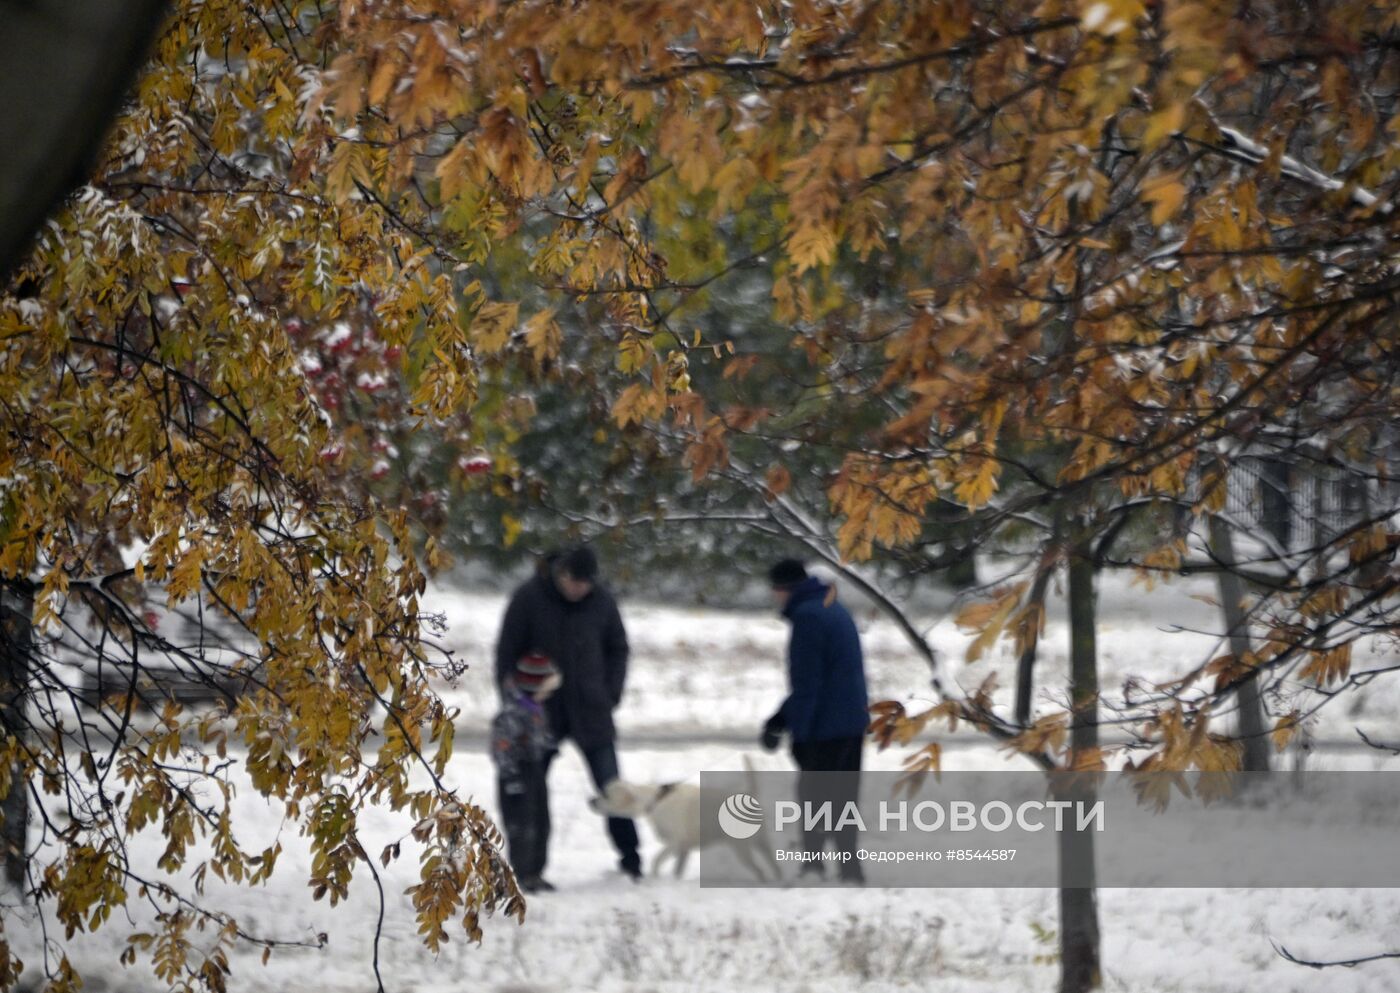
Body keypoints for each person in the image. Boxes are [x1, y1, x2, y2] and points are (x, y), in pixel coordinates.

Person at [494, 546, 642, 881]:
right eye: (575, 582)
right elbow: (506, 653)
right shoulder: (528, 598)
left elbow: (618, 648)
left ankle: (631, 860)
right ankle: (528, 869)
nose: (580, 590)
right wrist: (514, 703)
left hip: (592, 708)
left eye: (586, 584)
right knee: (530, 790)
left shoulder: (602, 601)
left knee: (612, 786)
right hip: (539, 711)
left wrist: (610, 693)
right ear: (560, 574)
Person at [760, 558, 869, 884]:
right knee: (844, 797)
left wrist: (795, 733)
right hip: (852, 719)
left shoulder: (808, 617)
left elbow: (807, 685)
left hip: (826, 726)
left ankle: (814, 867)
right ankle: (850, 869)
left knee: (814, 796)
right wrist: (783, 718)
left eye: (776, 591)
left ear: (783, 589)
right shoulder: (834, 606)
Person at [491, 652, 561, 893]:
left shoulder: (535, 708)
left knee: (542, 822)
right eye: (546, 688)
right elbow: (502, 747)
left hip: (535, 772)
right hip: (517, 776)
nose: (549, 693)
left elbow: (539, 735)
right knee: (522, 826)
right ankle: (521, 873)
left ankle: (536, 871)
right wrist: (511, 779)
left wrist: (548, 747)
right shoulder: (512, 713)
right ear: (533, 685)